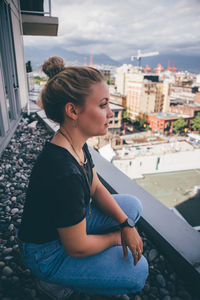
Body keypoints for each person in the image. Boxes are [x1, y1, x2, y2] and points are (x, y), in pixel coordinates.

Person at [18, 56, 148, 298]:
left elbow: (96, 187)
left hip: (69, 226)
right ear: (73, 110)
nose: (110, 113)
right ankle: (50, 282)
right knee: (138, 272)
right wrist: (116, 237)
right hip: (47, 252)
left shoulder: (74, 143)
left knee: (132, 207)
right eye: (103, 105)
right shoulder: (63, 172)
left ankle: (92, 252)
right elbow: (75, 247)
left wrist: (126, 224)